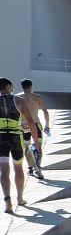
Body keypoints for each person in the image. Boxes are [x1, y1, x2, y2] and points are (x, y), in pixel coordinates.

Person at [0, 79, 27, 214]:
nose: (12, 88)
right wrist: (37, 143)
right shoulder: (18, 100)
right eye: (11, 86)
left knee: (4, 170)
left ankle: (8, 202)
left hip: (1, 137)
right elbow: (30, 121)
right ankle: (20, 198)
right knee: (18, 167)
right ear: (8, 86)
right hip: (16, 137)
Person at [15, 80, 49, 179]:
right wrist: (47, 125)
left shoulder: (17, 98)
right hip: (35, 124)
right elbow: (45, 112)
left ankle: (30, 169)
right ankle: (37, 167)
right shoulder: (37, 97)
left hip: (23, 125)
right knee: (38, 146)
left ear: (22, 87)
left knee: (26, 146)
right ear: (31, 87)